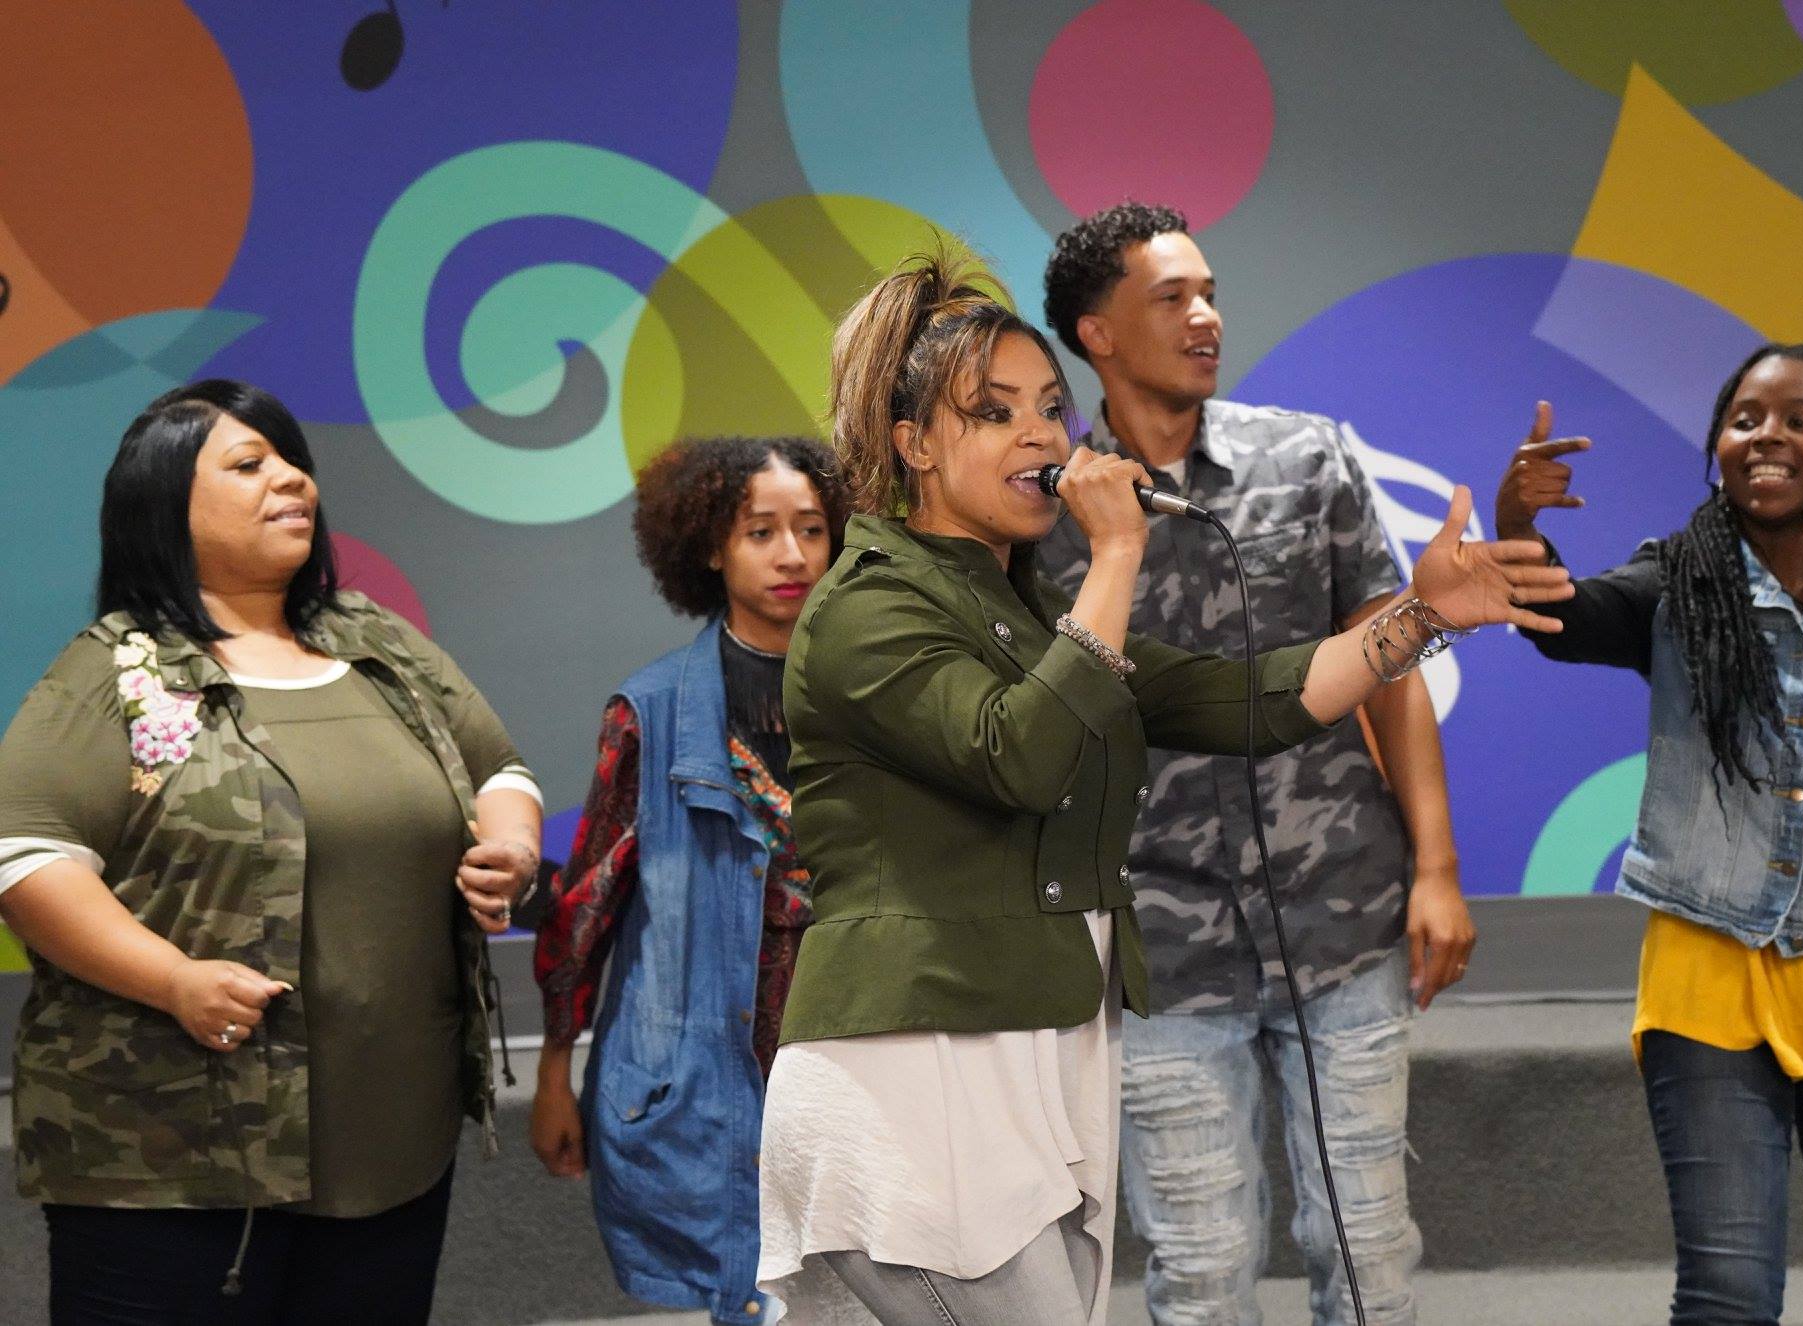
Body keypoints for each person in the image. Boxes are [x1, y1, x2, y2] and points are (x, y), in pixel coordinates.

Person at [751, 246, 1573, 1326]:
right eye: (994, 413)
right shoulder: (869, 604)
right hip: (918, 1076)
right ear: (913, 445)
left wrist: (1420, 615)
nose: (1042, 436)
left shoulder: (1017, 609)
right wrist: (1115, 556)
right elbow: (1019, 756)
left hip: (1027, 1055)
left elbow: (1247, 700)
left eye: (1049, 409)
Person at [0, 380, 542, 1325]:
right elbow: (26, 856)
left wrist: (513, 844)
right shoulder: (118, 669)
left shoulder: (376, 642)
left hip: (392, 1139)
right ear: (166, 506)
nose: (292, 478)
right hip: (173, 1157)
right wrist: (174, 980)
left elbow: (499, 768)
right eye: (250, 464)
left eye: (293, 459)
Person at [1037, 201, 1468, 1325]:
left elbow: (1389, 667)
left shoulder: (1305, 457)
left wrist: (1435, 869)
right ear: (1096, 333)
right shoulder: (1045, 517)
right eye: (1171, 297)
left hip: (1342, 913)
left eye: (1210, 293)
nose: (1205, 317)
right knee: (1200, 1270)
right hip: (1159, 945)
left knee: (1367, 1257)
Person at [1495, 344, 1803, 1326]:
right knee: (1725, 1297)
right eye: (1744, 420)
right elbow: (1566, 619)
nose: (1765, 437)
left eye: (1798, 420)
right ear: (1718, 447)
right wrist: (1517, 528)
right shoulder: (1676, 580)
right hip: (1707, 977)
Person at [529, 435, 850, 1322]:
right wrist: (554, 1070)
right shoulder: (653, 713)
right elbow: (585, 907)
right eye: (761, 531)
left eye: (812, 528)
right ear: (710, 547)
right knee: (749, 1301)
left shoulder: (877, 699)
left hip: (852, 1072)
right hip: (708, 1091)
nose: (792, 555)